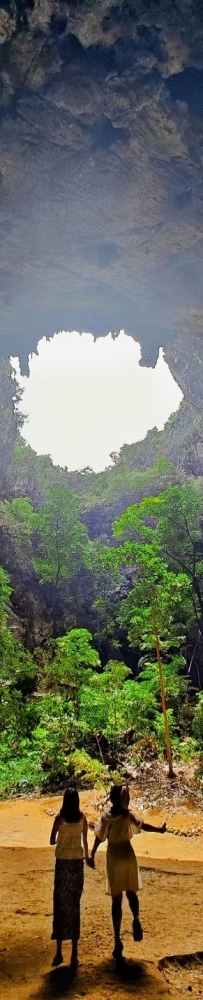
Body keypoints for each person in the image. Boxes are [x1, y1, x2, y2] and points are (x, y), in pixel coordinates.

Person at [90, 783, 166, 962]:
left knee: (116, 900)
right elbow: (143, 825)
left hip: (114, 857)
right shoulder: (127, 815)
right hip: (128, 855)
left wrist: (91, 854)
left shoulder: (107, 817)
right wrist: (159, 830)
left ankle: (117, 940)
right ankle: (136, 919)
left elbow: (99, 837)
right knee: (131, 892)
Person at [50, 787, 89, 968]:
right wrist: (87, 858)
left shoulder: (59, 819)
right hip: (76, 864)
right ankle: (74, 954)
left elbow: (52, 840)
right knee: (74, 906)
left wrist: (62, 838)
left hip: (62, 864)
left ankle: (58, 953)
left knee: (60, 905)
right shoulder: (82, 818)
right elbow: (85, 843)